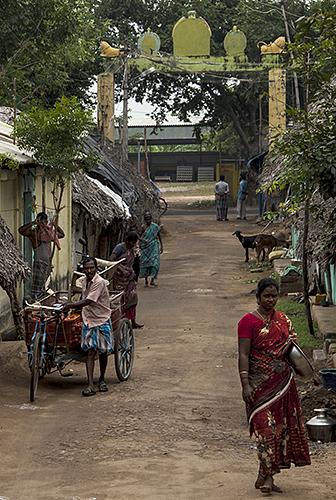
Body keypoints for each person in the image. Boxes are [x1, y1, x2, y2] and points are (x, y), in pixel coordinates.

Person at [238, 277, 310, 494]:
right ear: (257, 297)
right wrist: (245, 384)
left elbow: (293, 351)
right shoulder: (247, 322)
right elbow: (243, 354)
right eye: (267, 296)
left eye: (274, 295)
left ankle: (265, 474)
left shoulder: (284, 320)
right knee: (264, 430)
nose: (271, 300)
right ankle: (267, 476)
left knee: (279, 431)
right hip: (259, 388)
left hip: (284, 384)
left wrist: (309, 374)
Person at [63, 257, 113, 397]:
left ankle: (102, 379)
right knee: (90, 352)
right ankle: (90, 384)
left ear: (96, 268)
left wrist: (69, 305)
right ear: (83, 269)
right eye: (86, 268)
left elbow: (89, 300)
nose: (89, 270)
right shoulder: (83, 281)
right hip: (88, 320)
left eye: (91, 268)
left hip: (101, 319)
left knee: (103, 352)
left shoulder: (99, 282)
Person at [19, 212, 65, 300]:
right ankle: (34, 304)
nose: (43, 224)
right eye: (41, 221)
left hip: (48, 265)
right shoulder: (34, 234)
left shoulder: (49, 234)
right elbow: (21, 230)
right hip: (39, 264)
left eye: (45, 221)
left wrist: (55, 225)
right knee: (36, 289)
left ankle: (41, 304)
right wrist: (33, 223)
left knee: (45, 288)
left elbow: (62, 235)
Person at [109, 232, 143, 329]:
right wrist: (122, 269)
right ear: (127, 241)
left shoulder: (131, 249)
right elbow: (111, 260)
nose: (133, 245)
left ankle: (133, 321)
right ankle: (121, 321)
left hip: (129, 277)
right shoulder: (119, 248)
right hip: (119, 278)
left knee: (133, 297)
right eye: (132, 243)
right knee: (120, 300)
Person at [139, 212, 163, 287]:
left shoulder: (155, 227)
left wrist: (161, 246)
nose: (148, 220)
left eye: (149, 219)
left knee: (155, 262)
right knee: (145, 263)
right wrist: (142, 240)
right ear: (145, 220)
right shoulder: (143, 227)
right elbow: (139, 236)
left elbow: (159, 236)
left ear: (151, 219)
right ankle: (146, 281)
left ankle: (152, 280)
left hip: (154, 246)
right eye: (147, 219)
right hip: (145, 248)